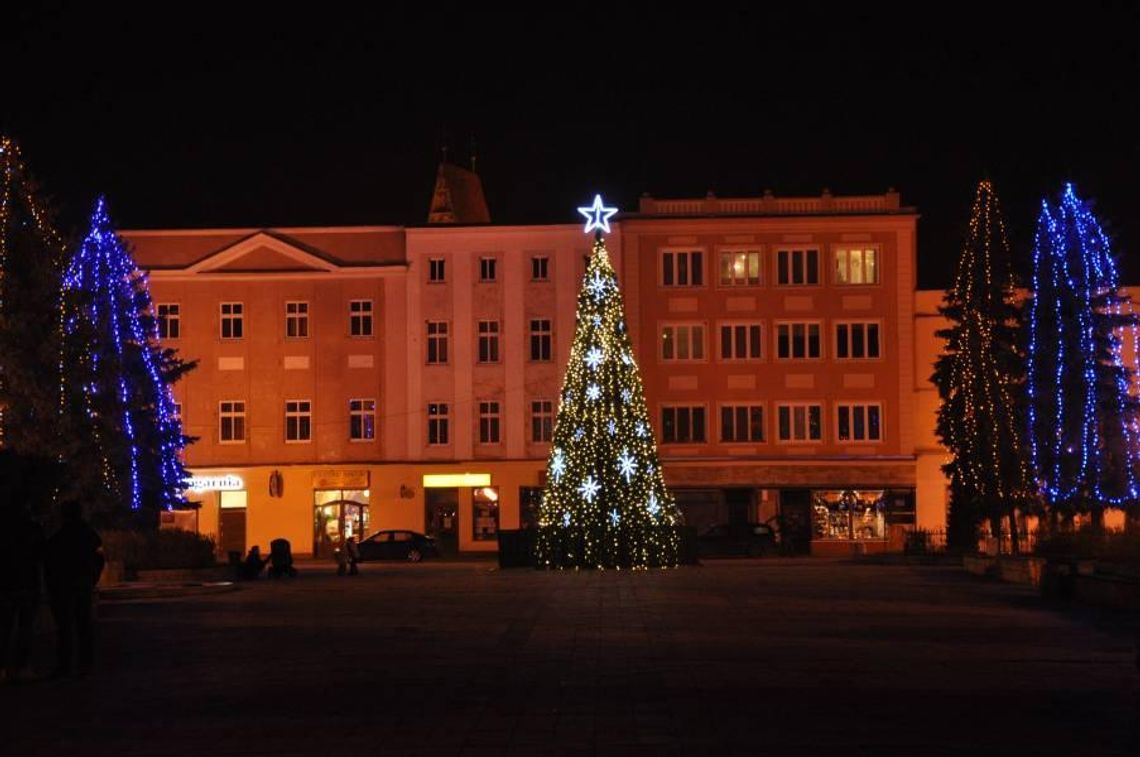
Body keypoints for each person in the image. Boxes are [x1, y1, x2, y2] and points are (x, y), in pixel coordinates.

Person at [44, 500, 104, 679]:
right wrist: (93, 578)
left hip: (63, 586)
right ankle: (85, 665)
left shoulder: (58, 537)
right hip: (83, 584)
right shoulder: (90, 535)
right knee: (83, 625)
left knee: (65, 627)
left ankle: (65, 665)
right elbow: (100, 559)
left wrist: (51, 584)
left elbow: (50, 563)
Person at [0, 484, 46, 684]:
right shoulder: (33, 529)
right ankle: (22, 666)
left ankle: (2, 668)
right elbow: (41, 557)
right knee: (25, 628)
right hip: (27, 584)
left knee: (4, 628)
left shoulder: (3, 528)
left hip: (6, 584)